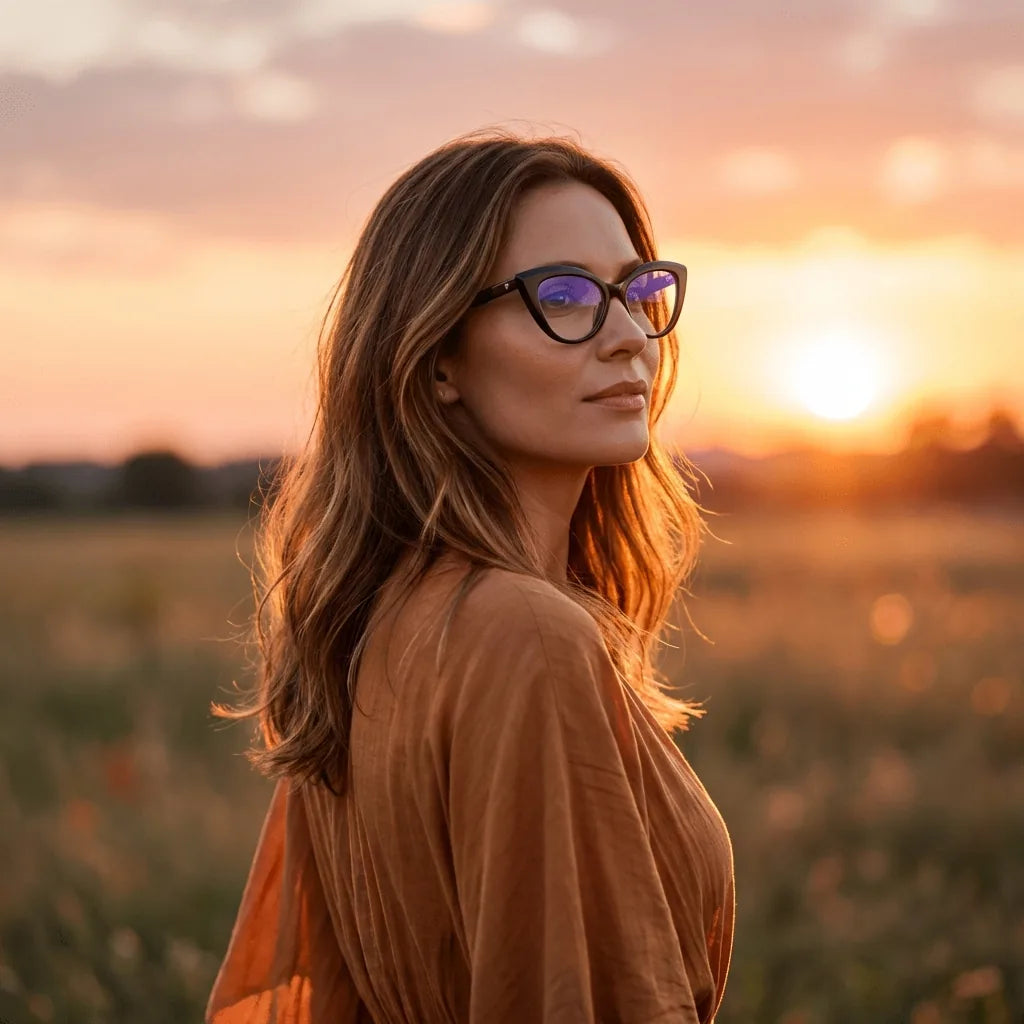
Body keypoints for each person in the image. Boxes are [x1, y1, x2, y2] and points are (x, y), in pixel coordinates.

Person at [206, 127, 735, 1023]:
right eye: (564, 296)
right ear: (439, 355)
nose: (625, 337)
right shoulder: (523, 634)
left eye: (637, 291)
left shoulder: (379, 621)